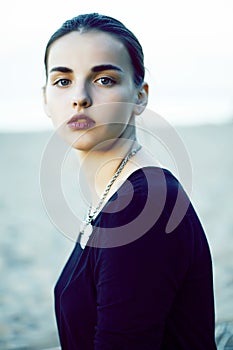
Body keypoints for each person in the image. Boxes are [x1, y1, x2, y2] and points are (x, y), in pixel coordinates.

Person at [42, 13, 217, 349]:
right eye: (63, 81)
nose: (80, 97)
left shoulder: (144, 206)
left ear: (140, 96)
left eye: (104, 79)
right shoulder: (116, 195)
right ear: (45, 99)